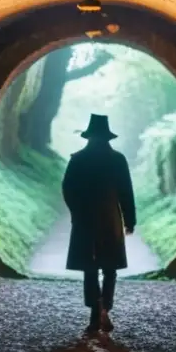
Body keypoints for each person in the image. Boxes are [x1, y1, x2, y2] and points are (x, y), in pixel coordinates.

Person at [62, 114, 136, 336]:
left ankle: (95, 314)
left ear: (90, 136)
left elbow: (67, 189)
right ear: (107, 137)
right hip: (110, 218)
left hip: (85, 219)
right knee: (110, 268)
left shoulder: (78, 159)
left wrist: (76, 211)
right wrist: (130, 220)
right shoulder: (118, 159)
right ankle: (106, 308)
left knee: (90, 268)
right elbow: (126, 192)